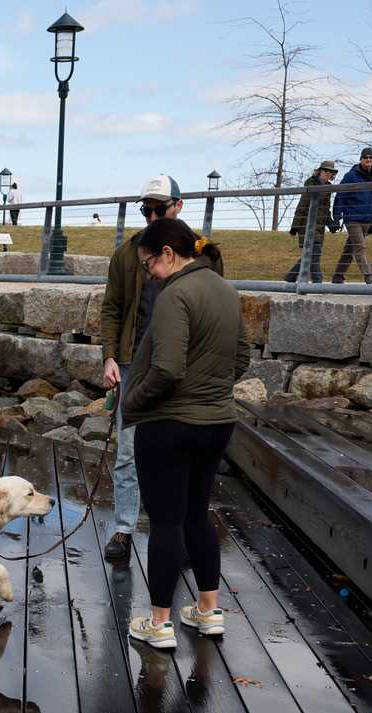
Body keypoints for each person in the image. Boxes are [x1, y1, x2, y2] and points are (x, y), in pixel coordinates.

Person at [122, 218, 250, 649]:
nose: (149, 274)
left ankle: (159, 623)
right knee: (197, 514)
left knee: (165, 522)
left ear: (169, 255)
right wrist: (211, 386)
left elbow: (169, 368)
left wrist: (134, 401)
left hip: (170, 425)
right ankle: (208, 611)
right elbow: (243, 357)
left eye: (148, 265)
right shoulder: (225, 289)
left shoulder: (174, 294)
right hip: (217, 422)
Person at [99, 175, 225, 562]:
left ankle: (180, 532)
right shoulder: (126, 254)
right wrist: (109, 356)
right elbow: (112, 308)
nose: (151, 216)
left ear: (178, 207)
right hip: (133, 365)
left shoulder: (205, 255)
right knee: (127, 453)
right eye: (145, 209)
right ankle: (123, 528)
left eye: (159, 208)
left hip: (185, 372)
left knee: (179, 454)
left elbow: (214, 313)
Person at [331, 147, 372, 285]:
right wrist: (336, 215)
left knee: (350, 248)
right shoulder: (351, 176)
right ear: (361, 159)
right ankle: (369, 276)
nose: (368, 159)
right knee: (360, 246)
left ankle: (337, 277)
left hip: (367, 218)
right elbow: (340, 196)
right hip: (352, 218)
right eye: (366, 157)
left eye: (371, 157)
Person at [283, 161, 339, 283]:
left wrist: (332, 224)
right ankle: (318, 281)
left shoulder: (329, 189)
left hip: (319, 228)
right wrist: (295, 226)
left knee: (308, 256)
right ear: (319, 171)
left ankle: (290, 277)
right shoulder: (311, 186)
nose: (328, 174)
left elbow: (325, 211)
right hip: (306, 226)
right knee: (314, 255)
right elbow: (302, 206)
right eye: (326, 171)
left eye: (331, 172)